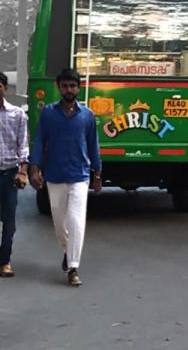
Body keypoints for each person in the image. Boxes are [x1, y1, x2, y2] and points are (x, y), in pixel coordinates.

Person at [29, 69, 101, 287]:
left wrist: (97, 173)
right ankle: (67, 251)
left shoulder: (87, 115)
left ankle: (73, 267)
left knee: (76, 221)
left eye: (73, 86)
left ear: (79, 88)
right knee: (60, 224)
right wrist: (34, 168)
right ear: (59, 87)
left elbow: (93, 145)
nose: (69, 90)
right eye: (65, 86)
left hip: (80, 175)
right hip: (55, 175)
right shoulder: (49, 114)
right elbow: (40, 141)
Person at [0, 72, 30, 278]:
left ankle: (5, 261)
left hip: (9, 174)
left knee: (9, 220)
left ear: (5, 88)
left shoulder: (17, 114)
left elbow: (23, 146)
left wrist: (23, 171)